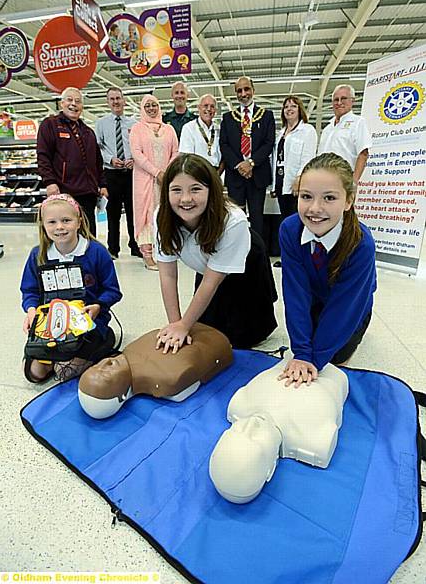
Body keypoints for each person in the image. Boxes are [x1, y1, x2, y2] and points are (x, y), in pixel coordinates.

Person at [154, 154, 277, 352]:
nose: (185, 199)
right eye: (176, 190)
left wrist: (184, 325)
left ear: (212, 190)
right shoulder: (161, 217)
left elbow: (212, 281)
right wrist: (176, 324)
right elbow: (167, 274)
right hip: (206, 264)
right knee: (202, 329)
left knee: (240, 337)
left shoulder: (233, 221)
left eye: (196, 189)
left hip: (246, 263)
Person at [279, 153, 377, 388]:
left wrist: (314, 359)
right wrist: (301, 352)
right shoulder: (289, 230)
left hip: (352, 305)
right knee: (305, 346)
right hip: (315, 299)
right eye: (306, 197)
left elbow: (346, 306)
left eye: (329, 198)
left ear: (348, 201)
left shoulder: (361, 244)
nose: (315, 208)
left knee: (333, 357)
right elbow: (296, 292)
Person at [209, 358, 349, 503]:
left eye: (236, 431)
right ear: (269, 471)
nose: (250, 425)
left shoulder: (241, 405)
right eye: (255, 438)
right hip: (333, 373)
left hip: (291, 360)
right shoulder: (314, 437)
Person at [20, 194, 122, 384]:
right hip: (50, 325)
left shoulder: (96, 252)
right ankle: (62, 354)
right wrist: (31, 310)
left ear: (79, 221)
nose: (59, 227)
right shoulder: (38, 255)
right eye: (52, 222)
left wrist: (99, 306)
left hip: (89, 322)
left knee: (63, 372)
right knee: (35, 374)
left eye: (66, 220)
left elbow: (113, 290)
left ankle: (105, 338)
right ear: (43, 224)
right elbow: (30, 291)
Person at [78, 322, 233, 419]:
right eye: (105, 374)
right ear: (122, 396)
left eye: (95, 367)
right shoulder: (167, 381)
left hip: (195, 324)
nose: (105, 363)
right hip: (217, 337)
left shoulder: (130, 350)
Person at [36, 86, 107, 236]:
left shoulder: (88, 132)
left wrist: (102, 184)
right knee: (65, 232)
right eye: (69, 100)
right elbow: (43, 156)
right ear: (61, 103)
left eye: (78, 101)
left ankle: (88, 259)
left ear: (82, 107)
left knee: (88, 232)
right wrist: (50, 182)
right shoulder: (50, 125)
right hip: (64, 192)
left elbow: (97, 161)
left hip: (88, 193)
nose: (73, 104)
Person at [219, 76, 275, 238]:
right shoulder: (228, 118)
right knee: (236, 217)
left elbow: (268, 143)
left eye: (246, 89)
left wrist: (251, 163)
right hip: (235, 175)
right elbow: (224, 145)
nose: (243, 93)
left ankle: (258, 254)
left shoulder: (267, 116)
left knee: (257, 217)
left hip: (258, 174)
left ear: (253, 90)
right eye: (239, 91)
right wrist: (239, 165)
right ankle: (236, 252)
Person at [129, 94, 178, 270]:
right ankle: (148, 255)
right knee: (146, 214)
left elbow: (175, 152)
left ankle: (163, 251)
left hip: (165, 180)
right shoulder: (137, 129)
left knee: (164, 213)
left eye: (154, 105)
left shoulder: (169, 129)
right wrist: (156, 172)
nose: (151, 108)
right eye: (147, 105)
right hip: (145, 180)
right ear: (142, 108)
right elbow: (136, 154)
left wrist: (167, 173)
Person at [271, 95, 317, 267]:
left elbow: (308, 157)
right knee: (287, 222)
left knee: (299, 222)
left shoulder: (307, 131)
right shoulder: (281, 133)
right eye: (286, 107)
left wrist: (300, 178)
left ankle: (301, 258)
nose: (289, 109)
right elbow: (276, 159)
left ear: (300, 110)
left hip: (297, 184)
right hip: (282, 183)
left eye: (293, 106)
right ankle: (288, 257)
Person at [95, 87, 140, 260]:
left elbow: (138, 147)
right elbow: (98, 148)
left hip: (130, 174)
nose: (115, 102)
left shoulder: (134, 124)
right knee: (112, 213)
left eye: (118, 98)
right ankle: (113, 248)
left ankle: (135, 246)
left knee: (132, 211)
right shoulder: (101, 123)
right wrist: (110, 159)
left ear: (124, 100)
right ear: (108, 102)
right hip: (111, 173)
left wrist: (134, 159)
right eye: (112, 99)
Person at [318, 84, 372, 184]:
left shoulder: (358, 122)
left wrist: (354, 181)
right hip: (323, 179)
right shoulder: (327, 128)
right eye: (335, 99)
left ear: (352, 101)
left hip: (344, 178)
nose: (339, 102)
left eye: (343, 99)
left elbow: (363, 154)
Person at [179, 94, 222, 170]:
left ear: (215, 110)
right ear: (198, 108)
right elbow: (186, 157)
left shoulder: (219, 129)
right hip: (196, 172)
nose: (209, 109)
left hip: (216, 172)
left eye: (212, 106)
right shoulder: (189, 128)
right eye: (205, 105)